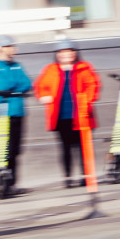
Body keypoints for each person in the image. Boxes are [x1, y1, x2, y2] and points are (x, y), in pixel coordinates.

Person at [33, 39, 101, 188]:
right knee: (65, 147)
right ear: (57, 54)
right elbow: (40, 85)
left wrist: (87, 99)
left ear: (75, 53)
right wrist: (44, 96)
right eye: (62, 52)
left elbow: (93, 85)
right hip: (60, 115)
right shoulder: (50, 69)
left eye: (69, 51)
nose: (65, 55)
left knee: (83, 147)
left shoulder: (84, 67)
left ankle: (86, 175)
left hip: (81, 114)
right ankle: (68, 177)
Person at [0, 35, 32, 192]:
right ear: (0, 48)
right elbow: (2, 85)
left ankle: (12, 184)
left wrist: (14, 89)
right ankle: (0, 182)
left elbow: (27, 83)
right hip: (3, 113)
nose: (14, 49)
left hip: (18, 111)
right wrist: (15, 87)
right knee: (4, 149)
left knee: (16, 150)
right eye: (10, 46)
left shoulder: (16, 65)